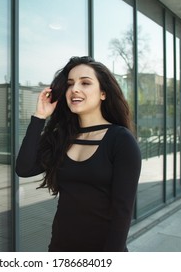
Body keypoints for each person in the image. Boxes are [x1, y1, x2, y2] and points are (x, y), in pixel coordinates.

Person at [16, 56, 141, 252]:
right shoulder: (62, 137)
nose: (75, 89)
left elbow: (122, 213)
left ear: (103, 93)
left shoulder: (121, 140)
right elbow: (24, 168)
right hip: (60, 247)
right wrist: (39, 117)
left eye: (85, 83)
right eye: (70, 84)